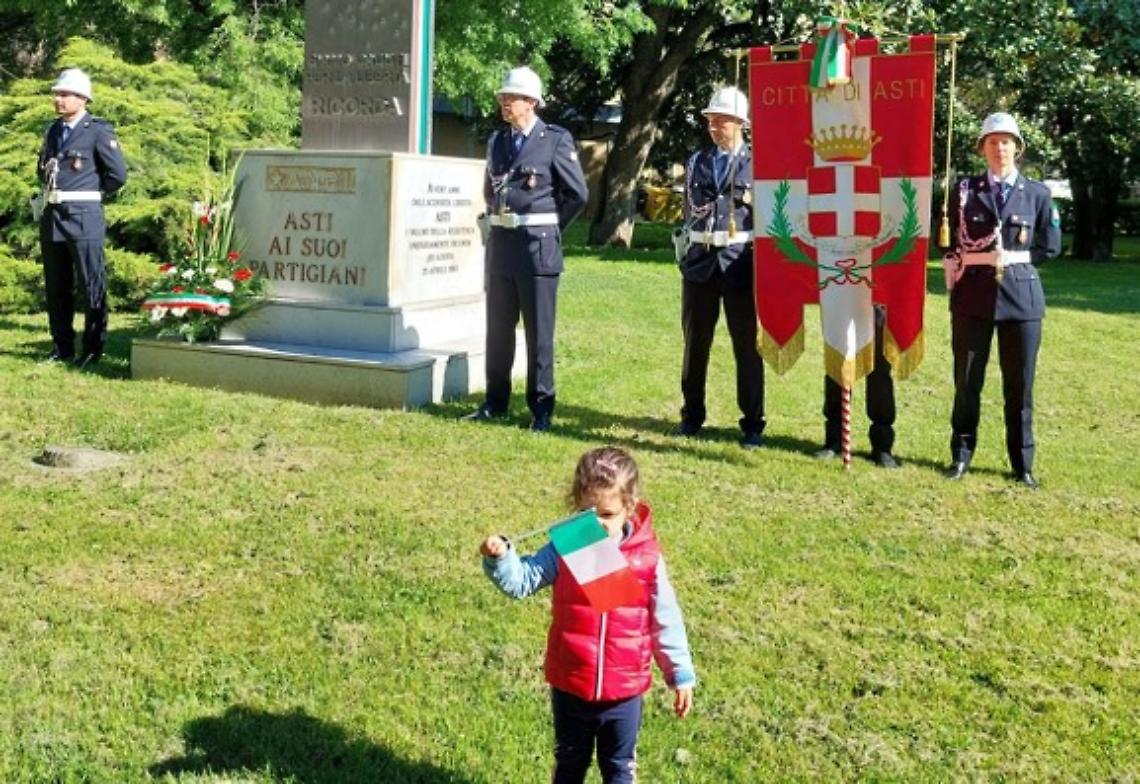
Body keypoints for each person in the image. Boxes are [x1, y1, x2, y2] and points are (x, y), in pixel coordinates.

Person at [480, 447, 695, 784]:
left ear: (630, 508)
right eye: (585, 512)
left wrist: (679, 673)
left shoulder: (646, 558)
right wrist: (501, 558)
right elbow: (523, 581)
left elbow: (665, 619)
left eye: (607, 515)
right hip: (571, 684)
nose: (595, 525)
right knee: (569, 763)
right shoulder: (572, 544)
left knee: (619, 768)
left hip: (624, 692)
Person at [464, 66, 588, 432]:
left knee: (538, 332)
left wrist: (550, 228)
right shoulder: (498, 141)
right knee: (498, 329)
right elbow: (491, 189)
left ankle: (542, 408)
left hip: (538, 249)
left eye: (512, 98)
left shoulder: (555, 139)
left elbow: (577, 194)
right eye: (503, 97)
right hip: (502, 246)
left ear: (531, 102)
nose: (505, 103)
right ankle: (495, 401)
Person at [942, 112, 1061, 488]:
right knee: (966, 383)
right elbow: (945, 241)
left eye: (1006, 142)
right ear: (983, 149)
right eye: (992, 142)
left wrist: (1011, 260)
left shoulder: (1038, 194)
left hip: (1021, 298)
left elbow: (1051, 246)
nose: (1000, 148)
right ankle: (961, 456)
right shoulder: (963, 191)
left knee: (1020, 387)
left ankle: (1021, 464)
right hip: (973, 296)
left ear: (1017, 148)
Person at [674, 86, 765, 449]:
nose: (714, 126)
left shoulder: (756, 165)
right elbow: (690, 209)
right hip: (700, 263)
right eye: (710, 120)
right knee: (695, 344)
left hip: (740, 263)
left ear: (741, 123)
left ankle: (753, 423)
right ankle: (691, 416)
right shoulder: (698, 161)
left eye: (721, 120)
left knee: (746, 347)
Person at [36, 67, 128, 370]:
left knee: (91, 284)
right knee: (56, 286)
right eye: (57, 94)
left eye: (64, 94)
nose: (58, 100)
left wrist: (89, 192)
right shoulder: (53, 130)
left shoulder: (98, 131)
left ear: (82, 98)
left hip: (84, 216)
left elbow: (117, 175)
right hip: (54, 216)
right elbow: (44, 170)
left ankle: (92, 348)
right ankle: (61, 346)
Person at [814, 305, 898, 468]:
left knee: (879, 370)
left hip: (877, 294)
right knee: (838, 364)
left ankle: (882, 446)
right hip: (843, 291)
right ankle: (834, 440)